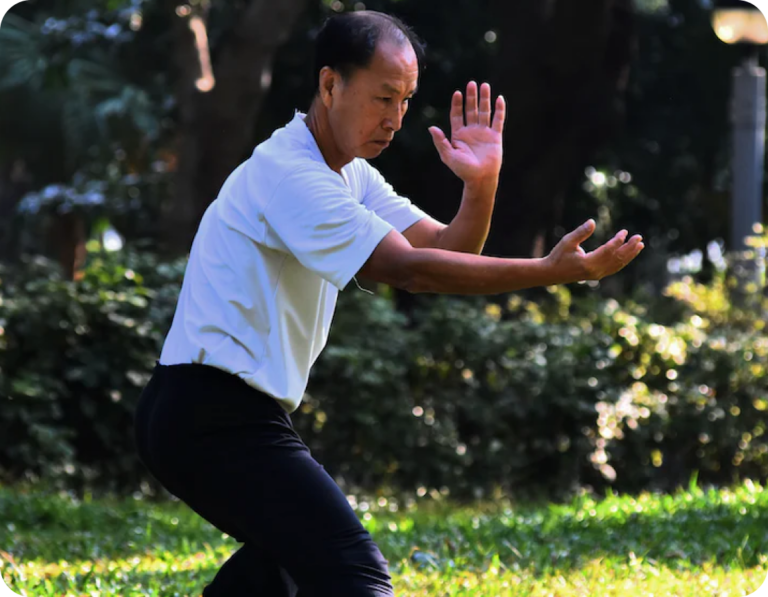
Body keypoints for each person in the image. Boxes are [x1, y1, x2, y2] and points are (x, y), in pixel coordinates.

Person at [132, 9, 645, 597]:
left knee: (289, 566)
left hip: (215, 412)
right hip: (210, 414)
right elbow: (412, 272)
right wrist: (547, 272)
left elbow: (448, 249)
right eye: (383, 98)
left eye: (405, 99)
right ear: (330, 85)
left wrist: (479, 185)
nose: (396, 118)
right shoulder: (292, 175)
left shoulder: (349, 173)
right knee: (353, 572)